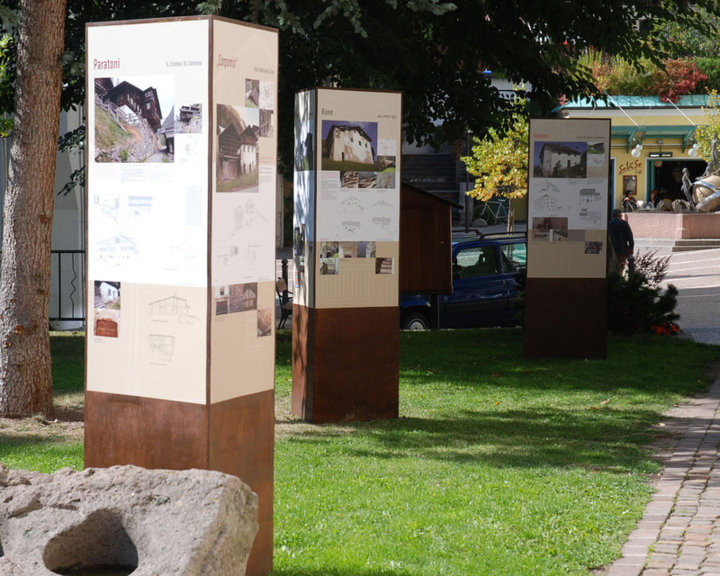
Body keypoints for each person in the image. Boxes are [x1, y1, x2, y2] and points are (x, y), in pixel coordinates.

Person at [608, 208, 634, 275]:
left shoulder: (609, 224)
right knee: (621, 267)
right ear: (620, 216)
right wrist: (631, 249)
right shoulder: (624, 223)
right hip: (623, 250)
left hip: (612, 250)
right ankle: (620, 278)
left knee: (613, 267)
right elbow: (630, 238)